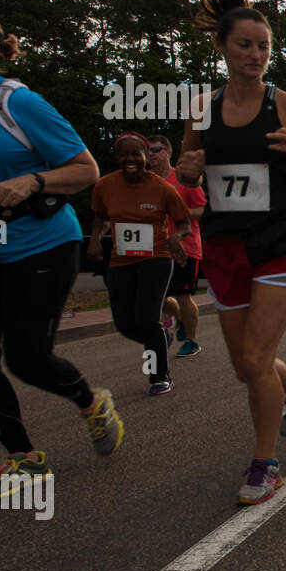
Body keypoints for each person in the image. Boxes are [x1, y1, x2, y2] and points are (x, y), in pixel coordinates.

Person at [175, 0, 286, 504]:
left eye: (263, 46)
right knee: (248, 366)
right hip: (224, 243)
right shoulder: (201, 108)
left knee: (254, 358)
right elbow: (185, 170)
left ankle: (265, 466)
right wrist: (190, 170)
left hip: (281, 240)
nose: (256, 53)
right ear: (221, 46)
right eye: (244, 44)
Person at [0, 0, 122, 483]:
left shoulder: (17, 102)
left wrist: (32, 182)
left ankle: (90, 402)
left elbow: (85, 170)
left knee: (26, 357)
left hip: (38, 244)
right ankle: (23, 455)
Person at [89, 132, 191, 395]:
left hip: (156, 258)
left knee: (147, 318)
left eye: (136, 153)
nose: (130, 159)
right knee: (123, 322)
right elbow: (100, 217)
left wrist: (177, 238)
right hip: (120, 259)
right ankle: (160, 339)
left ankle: (159, 376)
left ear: (146, 156)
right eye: (124, 154)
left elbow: (184, 223)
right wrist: (96, 239)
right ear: (117, 157)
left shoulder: (162, 188)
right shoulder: (105, 185)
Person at [148, 134, 207, 357]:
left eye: (155, 149)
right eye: (147, 150)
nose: (150, 154)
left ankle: (191, 341)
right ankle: (180, 319)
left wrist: (178, 213)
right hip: (155, 247)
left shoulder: (183, 179)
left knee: (183, 296)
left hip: (186, 246)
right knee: (156, 296)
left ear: (168, 153)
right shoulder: (145, 182)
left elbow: (203, 210)